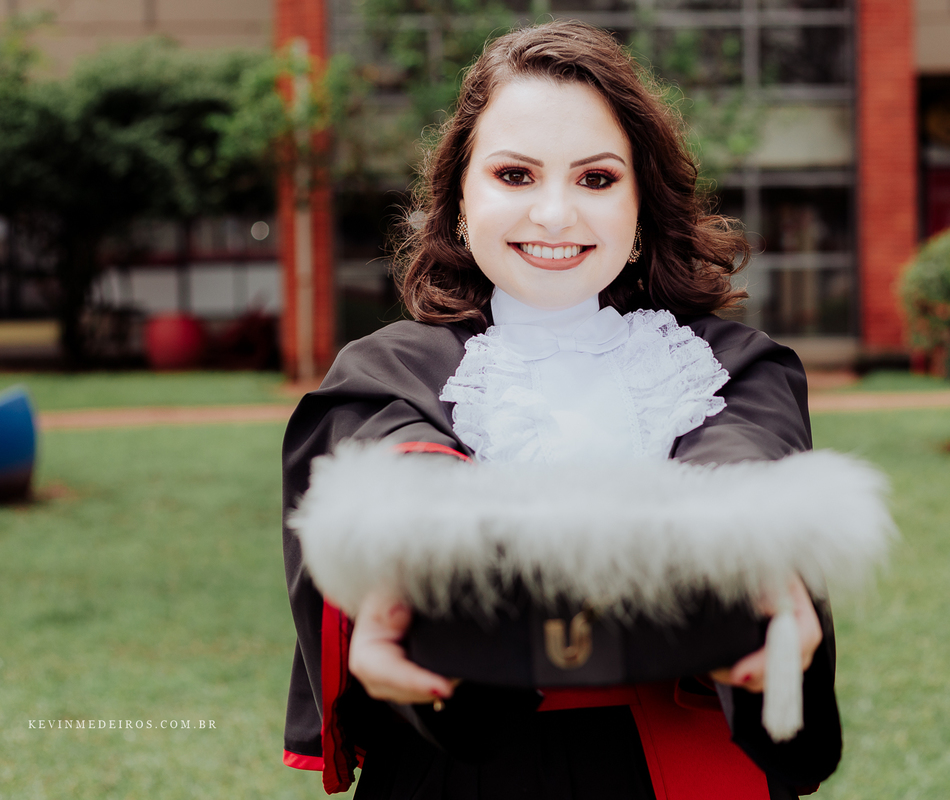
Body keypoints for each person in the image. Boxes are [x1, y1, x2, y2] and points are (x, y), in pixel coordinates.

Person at [282, 20, 842, 800]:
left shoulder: (728, 366)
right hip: (465, 764)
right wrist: (402, 567)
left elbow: (743, 455)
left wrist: (759, 554)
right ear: (458, 197)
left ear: (643, 203)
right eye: (515, 176)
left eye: (597, 179)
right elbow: (389, 464)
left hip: (675, 760)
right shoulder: (385, 370)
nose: (553, 214)